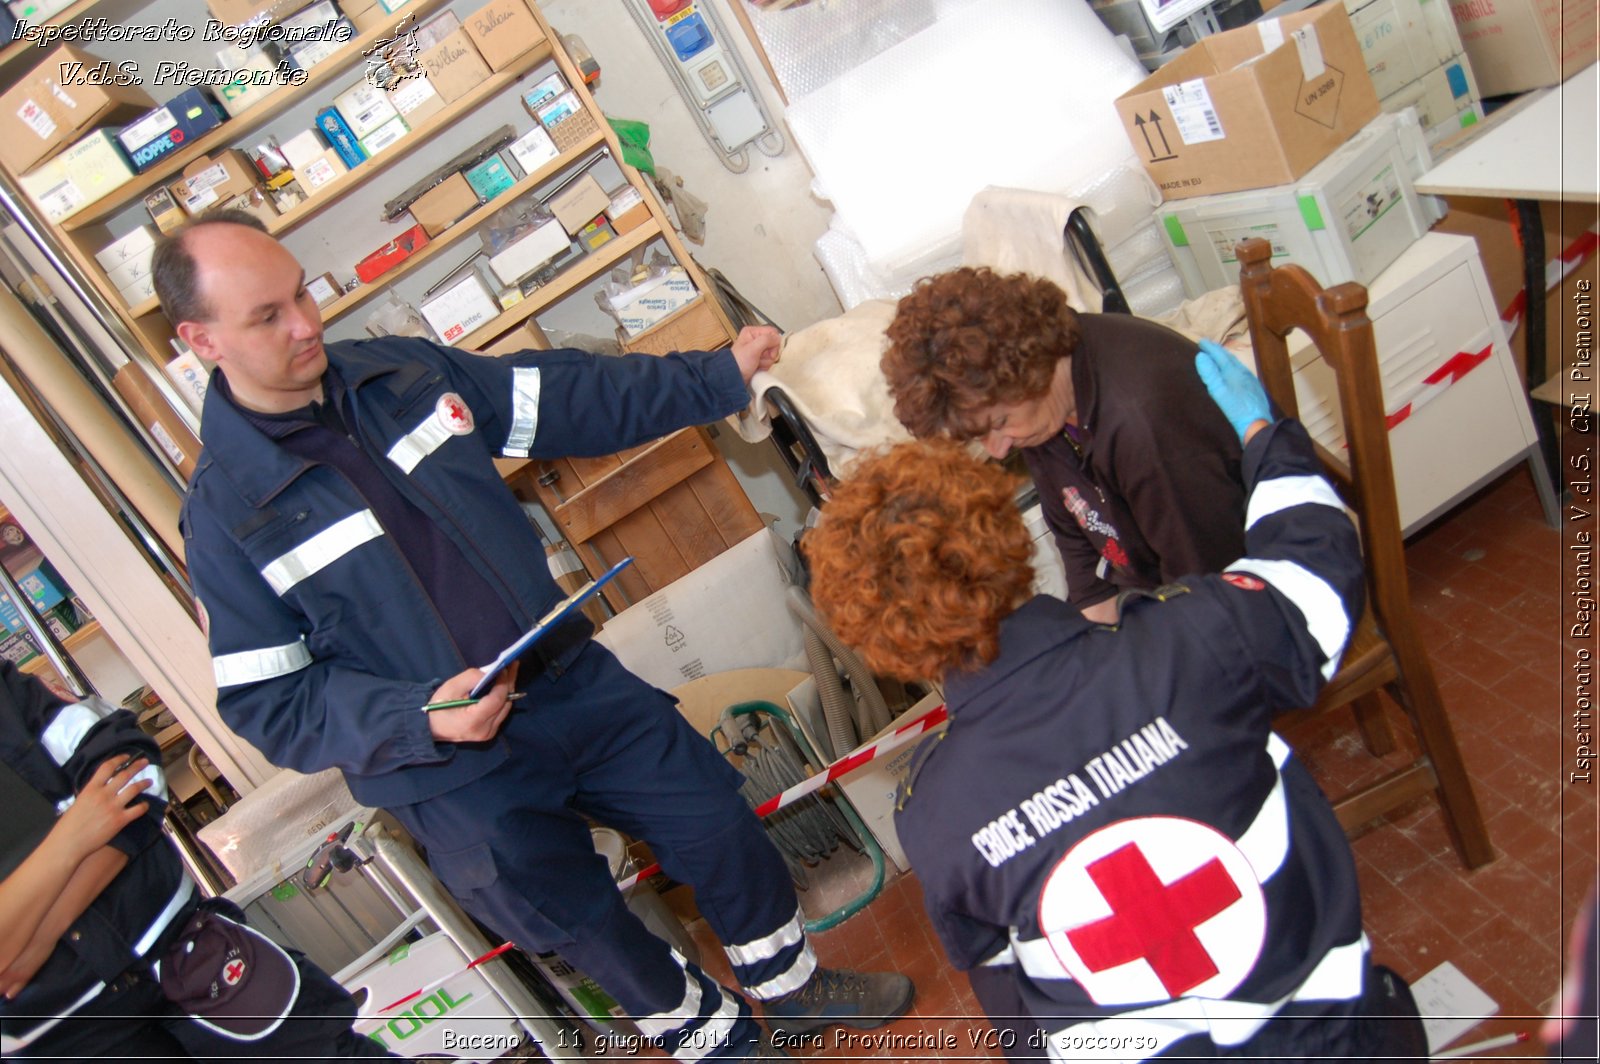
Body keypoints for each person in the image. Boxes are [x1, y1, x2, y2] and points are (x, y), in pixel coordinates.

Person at [155, 211, 913, 1060]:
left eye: (301, 292)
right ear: (202, 341)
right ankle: (717, 1041)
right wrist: (418, 715)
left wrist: (713, 377)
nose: (305, 324)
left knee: (714, 820)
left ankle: (791, 985)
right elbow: (271, 703)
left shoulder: (400, 375)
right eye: (267, 316)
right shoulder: (226, 519)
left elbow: (564, 399)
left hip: (567, 680)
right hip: (446, 770)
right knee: (584, 925)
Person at [803, 342, 1429, 1060]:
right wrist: (1266, 442)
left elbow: (1017, 1017)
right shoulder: (1192, 639)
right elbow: (1319, 574)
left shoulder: (931, 815)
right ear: (1006, 537)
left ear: (878, 642)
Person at [0, 660, 391, 1059]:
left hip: (190, 952)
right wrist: (72, 837)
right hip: (64, 1035)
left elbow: (131, 772)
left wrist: (43, 930)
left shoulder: (8, 697)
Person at [880, 266, 1246, 624]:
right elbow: (1078, 541)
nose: (998, 450)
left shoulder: (1144, 425)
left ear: (1034, 371)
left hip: (1237, 606)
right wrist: (1095, 630)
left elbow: (1208, 593)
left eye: (999, 424)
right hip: (1161, 597)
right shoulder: (1044, 406)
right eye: (980, 435)